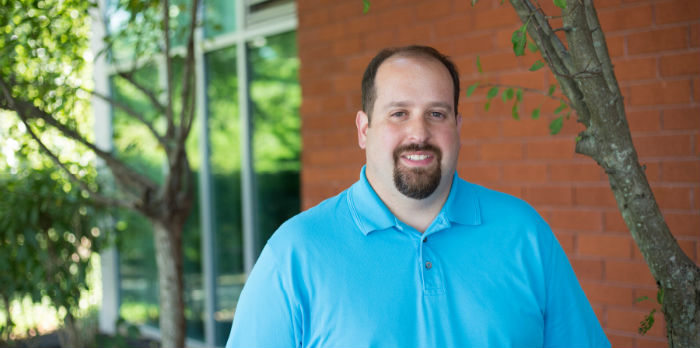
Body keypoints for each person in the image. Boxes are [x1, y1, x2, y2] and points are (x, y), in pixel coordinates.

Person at [226, 45, 610, 348]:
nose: (419, 133)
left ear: (457, 126)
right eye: (398, 114)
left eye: (437, 114)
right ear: (364, 129)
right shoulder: (295, 253)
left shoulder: (523, 233)